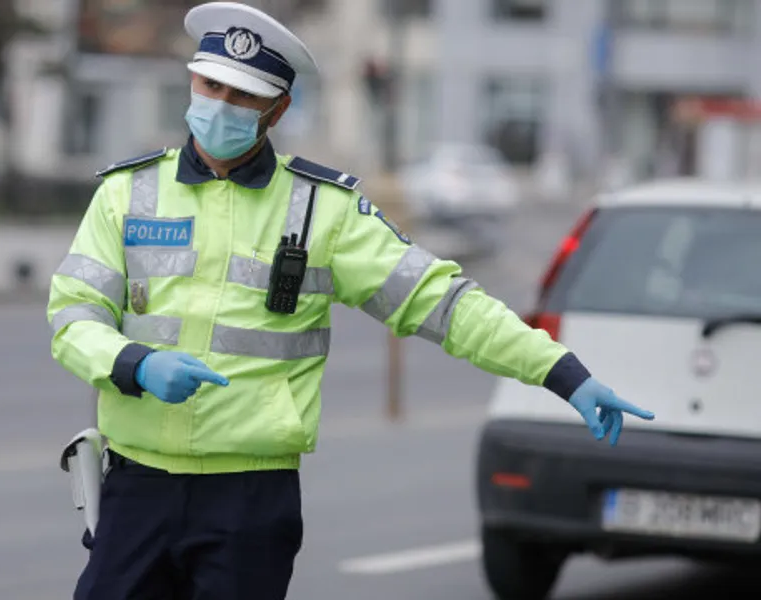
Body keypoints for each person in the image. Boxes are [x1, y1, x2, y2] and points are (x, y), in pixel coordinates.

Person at [47, 2, 655, 599]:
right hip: (136, 486)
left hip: (249, 497)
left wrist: (560, 371)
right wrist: (135, 364)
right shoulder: (128, 193)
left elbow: (441, 301)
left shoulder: (323, 210)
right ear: (192, 81)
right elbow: (73, 316)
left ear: (277, 108)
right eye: (211, 85)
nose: (220, 106)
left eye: (243, 96)